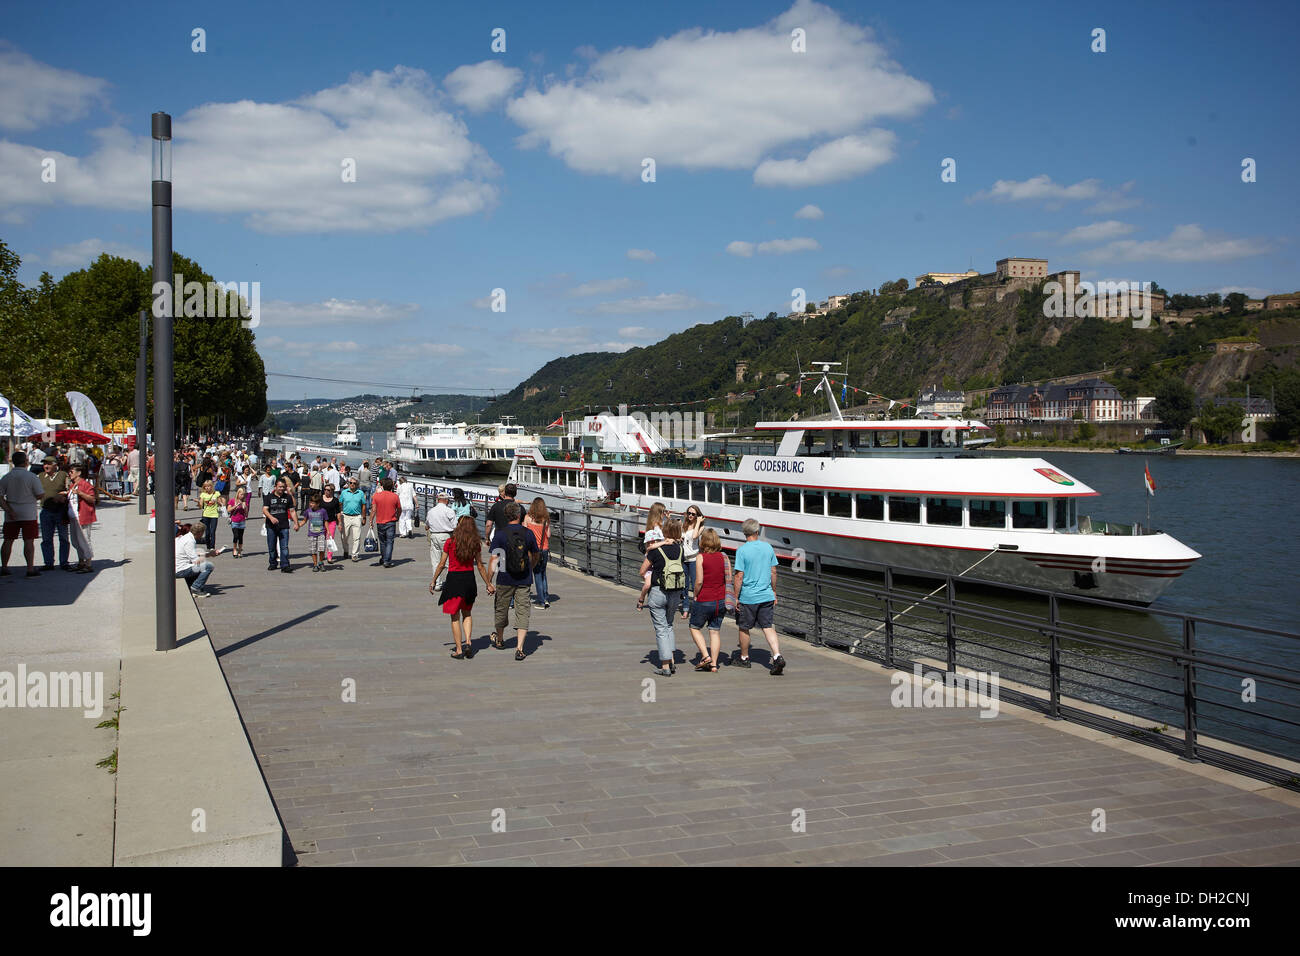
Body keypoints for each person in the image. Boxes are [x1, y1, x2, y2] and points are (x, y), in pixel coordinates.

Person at [431, 515, 494, 660]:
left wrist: (434, 580)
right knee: (467, 613)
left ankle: (459, 649)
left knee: (454, 617)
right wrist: (488, 584)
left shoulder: (450, 542)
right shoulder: (475, 543)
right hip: (469, 580)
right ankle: (469, 642)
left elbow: (441, 564)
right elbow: (480, 566)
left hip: (454, 580)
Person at [733, 518, 785, 675]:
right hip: (766, 594)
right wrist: (774, 591)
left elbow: (739, 576)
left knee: (744, 627)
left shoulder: (742, 551)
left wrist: (736, 597)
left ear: (744, 533)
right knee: (768, 626)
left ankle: (744, 658)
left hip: (748, 596)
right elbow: (773, 572)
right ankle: (777, 655)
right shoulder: (768, 547)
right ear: (757, 531)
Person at [487, 502, 538, 660]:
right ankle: (520, 647)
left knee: (501, 609)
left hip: (504, 577)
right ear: (519, 515)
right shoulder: (528, 533)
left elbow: (494, 559)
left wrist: (489, 581)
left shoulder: (500, 534)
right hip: (524, 578)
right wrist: (530, 567)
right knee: (522, 612)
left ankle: (500, 640)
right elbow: (535, 555)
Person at [636, 518, 686, 676]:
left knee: (661, 629)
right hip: (675, 592)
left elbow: (642, 571)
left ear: (664, 532)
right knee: (669, 625)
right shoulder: (680, 549)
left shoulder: (655, 551)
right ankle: (671, 660)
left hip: (658, 591)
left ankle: (665, 666)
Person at [688, 528, 732, 672]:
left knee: (694, 627)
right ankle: (714, 664)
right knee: (715, 631)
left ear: (703, 541)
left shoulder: (701, 557)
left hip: (705, 599)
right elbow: (728, 578)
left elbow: (699, 581)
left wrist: (695, 594)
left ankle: (706, 656)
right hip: (720, 600)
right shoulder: (724, 557)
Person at [0, 451, 45, 577]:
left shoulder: (7, 477)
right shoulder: (31, 477)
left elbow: (0, 496)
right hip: (28, 511)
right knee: (29, 541)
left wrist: (8, 510)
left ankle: (4, 566)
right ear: (26, 462)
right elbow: (40, 494)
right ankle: (30, 568)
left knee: (8, 540)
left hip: (11, 511)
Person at [38, 456, 73, 571]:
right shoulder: (41, 476)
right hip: (46, 510)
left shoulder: (63, 475)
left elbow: (71, 489)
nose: (46, 466)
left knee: (63, 538)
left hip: (60, 511)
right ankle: (48, 563)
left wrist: (63, 495)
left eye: (48, 464)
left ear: (55, 465)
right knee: (46, 539)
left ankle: (64, 562)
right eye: (44, 464)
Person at [66, 462, 97, 573]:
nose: (69, 474)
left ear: (78, 473)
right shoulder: (72, 484)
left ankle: (88, 564)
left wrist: (80, 493)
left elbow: (93, 499)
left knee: (84, 540)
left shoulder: (85, 485)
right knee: (75, 541)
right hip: (73, 517)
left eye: (71, 472)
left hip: (83, 516)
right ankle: (81, 561)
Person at [262, 476, 296, 572]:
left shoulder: (287, 497)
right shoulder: (269, 497)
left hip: (284, 525)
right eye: (280, 487)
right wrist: (271, 517)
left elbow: (292, 510)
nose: (281, 489)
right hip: (271, 526)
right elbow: (264, 510)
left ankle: (285, 565)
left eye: (283, 487)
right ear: (275, 487)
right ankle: (273, 563)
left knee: (284, 547)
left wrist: (296, 523)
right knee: (272, 546)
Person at [523, 497, 551, 608]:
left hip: (533, 550)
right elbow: (548, 535)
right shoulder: (546, 519)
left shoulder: (528, 518)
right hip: (544, 548)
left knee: (537, 574)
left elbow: (524, 533)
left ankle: (541, 601)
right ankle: (546, 597)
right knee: (543, 573)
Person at [426, 489, 458, 588]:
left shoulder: (431, 511)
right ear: (447, 500)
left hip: (434, 535)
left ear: (437, 499)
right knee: (448, 561)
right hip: (446, 536)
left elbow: (427, 525)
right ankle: (450, 583)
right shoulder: (449, 511)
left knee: (435, 561)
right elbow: (455, 526)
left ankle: (437, 583)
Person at [175, 523, 214, 597]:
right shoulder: (190, 541)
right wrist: (209, 555)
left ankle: (191, 584)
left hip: (177, 567)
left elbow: (193, 554)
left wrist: (208, 554)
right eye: (202, 533)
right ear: (199, 533)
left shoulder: (185, 537)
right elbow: (195, 560)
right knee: (208, 566)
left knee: (202, 565)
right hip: (179, 570)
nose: (202, 535)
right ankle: (196, 588)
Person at [680, 506, 705, 620]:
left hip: (694, 559)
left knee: (695, 584)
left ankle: (696, 609)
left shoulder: (700, 527)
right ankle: (685, 609)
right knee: (684, 585)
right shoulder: (684, 525)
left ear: (697, 515)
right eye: (688, 513)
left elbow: (694, 536)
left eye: (693, 514)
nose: (690, 515)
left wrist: (698, 522)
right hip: (683, 559)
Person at [370, 477, 400, 568]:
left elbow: (373, 510)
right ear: (391, 486)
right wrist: (397, 517)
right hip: (391, 521)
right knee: (390, 541)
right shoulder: (395, 496)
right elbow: (399, 509)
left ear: (382, 486)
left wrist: (371, 520)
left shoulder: (376, 496)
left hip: (380, 521)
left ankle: (383, 558)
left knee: (382, 542)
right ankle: (387, 560)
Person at [297, 491, 329, 572]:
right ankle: (315, 564)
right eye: (310, 502)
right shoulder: (308, 511)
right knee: (313, 550)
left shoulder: (323, 511)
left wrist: (328, 530)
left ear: (318, 504)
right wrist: (298, 525)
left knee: (321, 549)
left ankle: (321, 562)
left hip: (321, 533)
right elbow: (304, 520)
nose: (311, 504)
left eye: (313, 503)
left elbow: (326, 521)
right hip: (311, 534)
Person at [339, 476, 367, 562]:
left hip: (357, 516)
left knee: (357, 537)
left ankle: (355, 554)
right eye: (350, 483)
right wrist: (340, 513)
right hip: (346, 516)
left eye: (354, 483)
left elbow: (363, 506)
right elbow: (340, 503)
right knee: (344, 536)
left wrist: (364, 517)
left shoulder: (360, 493)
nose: (352, 485)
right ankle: (346, 550)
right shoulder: (344, 492)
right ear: (348, 484)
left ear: (357, 485)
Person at [198, 479, 222, 555]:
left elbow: (221, 503)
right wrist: (199, 502)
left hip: (214, 515)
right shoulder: (203, 494)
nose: (207, 488)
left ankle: (212, 547)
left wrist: (218, 502)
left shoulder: (216, 493)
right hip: (205, 514)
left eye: (209, 486)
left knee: (212, 531)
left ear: (212, 486)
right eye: (206, 487)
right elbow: (200, 505)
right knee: (207, 532)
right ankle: (208, 546)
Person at [320, 483, 341, 565]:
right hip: (320, 522)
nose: (326, 491)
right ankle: (321, 555)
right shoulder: (320, 498)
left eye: (328, 490)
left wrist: (339, 524)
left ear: (332, 491)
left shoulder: (335, 500)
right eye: (325, 489)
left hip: (331, 522)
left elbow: (338, 513)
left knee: (329, 539)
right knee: (321, 539)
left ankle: (329, 557)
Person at [227, 485, 250, 558]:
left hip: (242, 521)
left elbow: (246, 514)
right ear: (238, 494)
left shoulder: (244, 502)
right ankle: (234, 549)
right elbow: (228, 510)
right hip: (234, 521)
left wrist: (245, 507)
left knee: (240, 537)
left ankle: (239, 550)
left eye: (243, 494)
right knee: (236, 536)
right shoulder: (232, 501)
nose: (242, 496)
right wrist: (235, 506)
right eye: (241, 494)